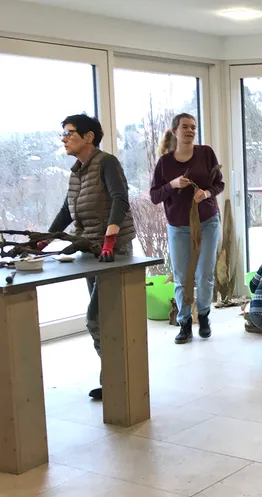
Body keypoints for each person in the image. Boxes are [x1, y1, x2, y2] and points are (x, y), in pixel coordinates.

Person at [45, 114, 135, 401]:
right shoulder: (77, 172)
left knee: (98, 318)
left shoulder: (106, 162)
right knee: (104, 320)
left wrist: (109, 239)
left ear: (89, 137)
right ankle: (112, 379)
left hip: (113, 253)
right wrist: (43, 241)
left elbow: (120, 198)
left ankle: (119, 379)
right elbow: (66, 212)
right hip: (91, 251)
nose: (64, 139)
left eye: (70, 133)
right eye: (63, 134)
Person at [150, 113, 224, 344]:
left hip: (207, 221)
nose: (190, 131)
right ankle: (184, 323)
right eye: (185, 127)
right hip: (178, 225)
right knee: (182, 277)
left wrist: (207, 193)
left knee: (204, 274)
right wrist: (172, 185)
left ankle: (203, 316)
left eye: (193, 127)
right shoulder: (165, 163)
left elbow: (218, 183)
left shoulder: (206, 153)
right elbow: (154, 196)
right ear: (175, 132)